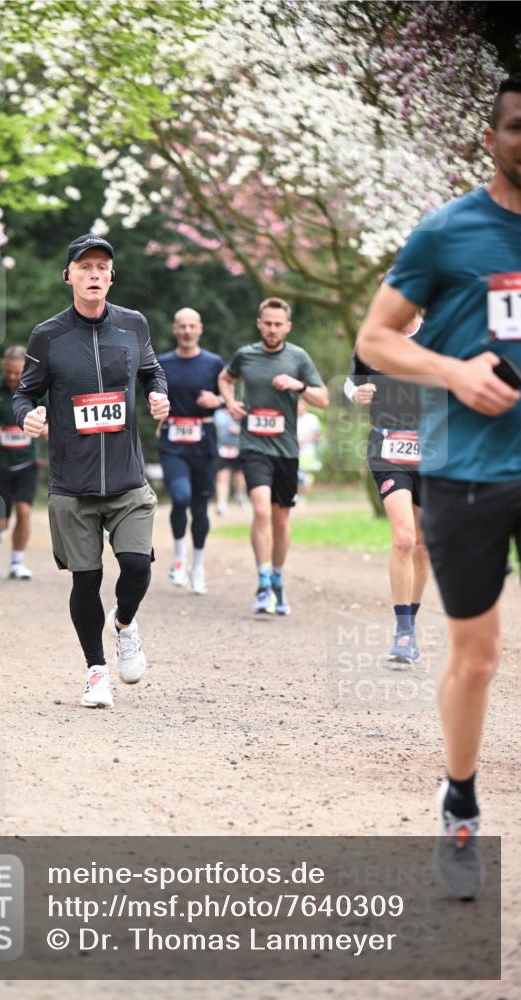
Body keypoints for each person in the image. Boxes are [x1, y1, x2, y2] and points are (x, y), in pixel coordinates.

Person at [357, 77, 521, 899]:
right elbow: (376, 338)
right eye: (519, 126)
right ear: (491, 136)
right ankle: (459, 801)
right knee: (477, 658)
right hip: (466, 472)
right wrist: (453, 371)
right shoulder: (448, 232)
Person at [12, 233, 169, 709]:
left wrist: (158, 394)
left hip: (127, 478)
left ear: (111, 277)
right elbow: (25, 392)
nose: (94, 274)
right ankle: (96, 671)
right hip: (72, 483)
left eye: (102, 267)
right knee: (85, 580)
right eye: (85, 267)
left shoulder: (133, 326)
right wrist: (27, 416)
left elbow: (152, 372)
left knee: (138, 566)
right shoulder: (48, 336)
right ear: (69, 277)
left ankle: (124, 624)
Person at [219, 297, 329, 615]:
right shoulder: (246, 355)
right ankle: (263, 582)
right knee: (261, 511)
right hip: (254, 447)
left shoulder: (298, 358)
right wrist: (229, 401)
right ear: (259, 323)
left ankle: (278, 578)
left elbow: (323, 399)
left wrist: (298, 385)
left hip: (286, 451)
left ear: (287, 326)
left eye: (278, 324)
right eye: (267, 323)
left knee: (281, 520)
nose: (272, 328)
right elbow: (226, 378)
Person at [344, 314, 431, 662]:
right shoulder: (372, 337)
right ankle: (404, 632)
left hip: (434, 450)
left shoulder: (439, 333)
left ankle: (411, 621)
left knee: (424, 547)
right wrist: (356, 393)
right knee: (404, 538)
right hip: (387, 447)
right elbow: (350, 382)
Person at [157, 308, 224, 594]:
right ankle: (179, 558)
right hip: (172, 440)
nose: (186, 331)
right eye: (181, 326)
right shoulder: (162, 363)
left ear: (200, 329)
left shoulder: (213, 363)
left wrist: (218, 399)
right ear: (175, 329)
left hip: (203, 440)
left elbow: (229, 396)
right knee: (181, 497)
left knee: (199, 506)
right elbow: (152, 393)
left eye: (191, 326)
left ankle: (198, 567)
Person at [0, 345, 46, 579]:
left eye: (18, 373)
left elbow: (52, 420)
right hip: (0, 464)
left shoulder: (38, 391)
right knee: (1, 521)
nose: (13, 377)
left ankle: (16, 563)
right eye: (9, 372)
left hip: (28, 463)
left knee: (24, 511)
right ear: (3, 367)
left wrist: (46, 429)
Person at [214, 407, 246, 515]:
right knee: (222, 476)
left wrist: (238, 430)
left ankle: (240, 495)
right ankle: (221, 504)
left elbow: (247, 429)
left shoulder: (241, 412)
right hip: (222, 449)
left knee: (239, 476)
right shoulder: (218, 414)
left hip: (238, 448)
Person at [296, 398, 323, 494]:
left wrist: (304, 441)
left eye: (302, 405)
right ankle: (297, 496)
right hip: (294, 451)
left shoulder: (312, 418)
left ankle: (304, 496)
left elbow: (317, 435)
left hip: (307, 452)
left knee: (306, 477)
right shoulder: (291, 419)